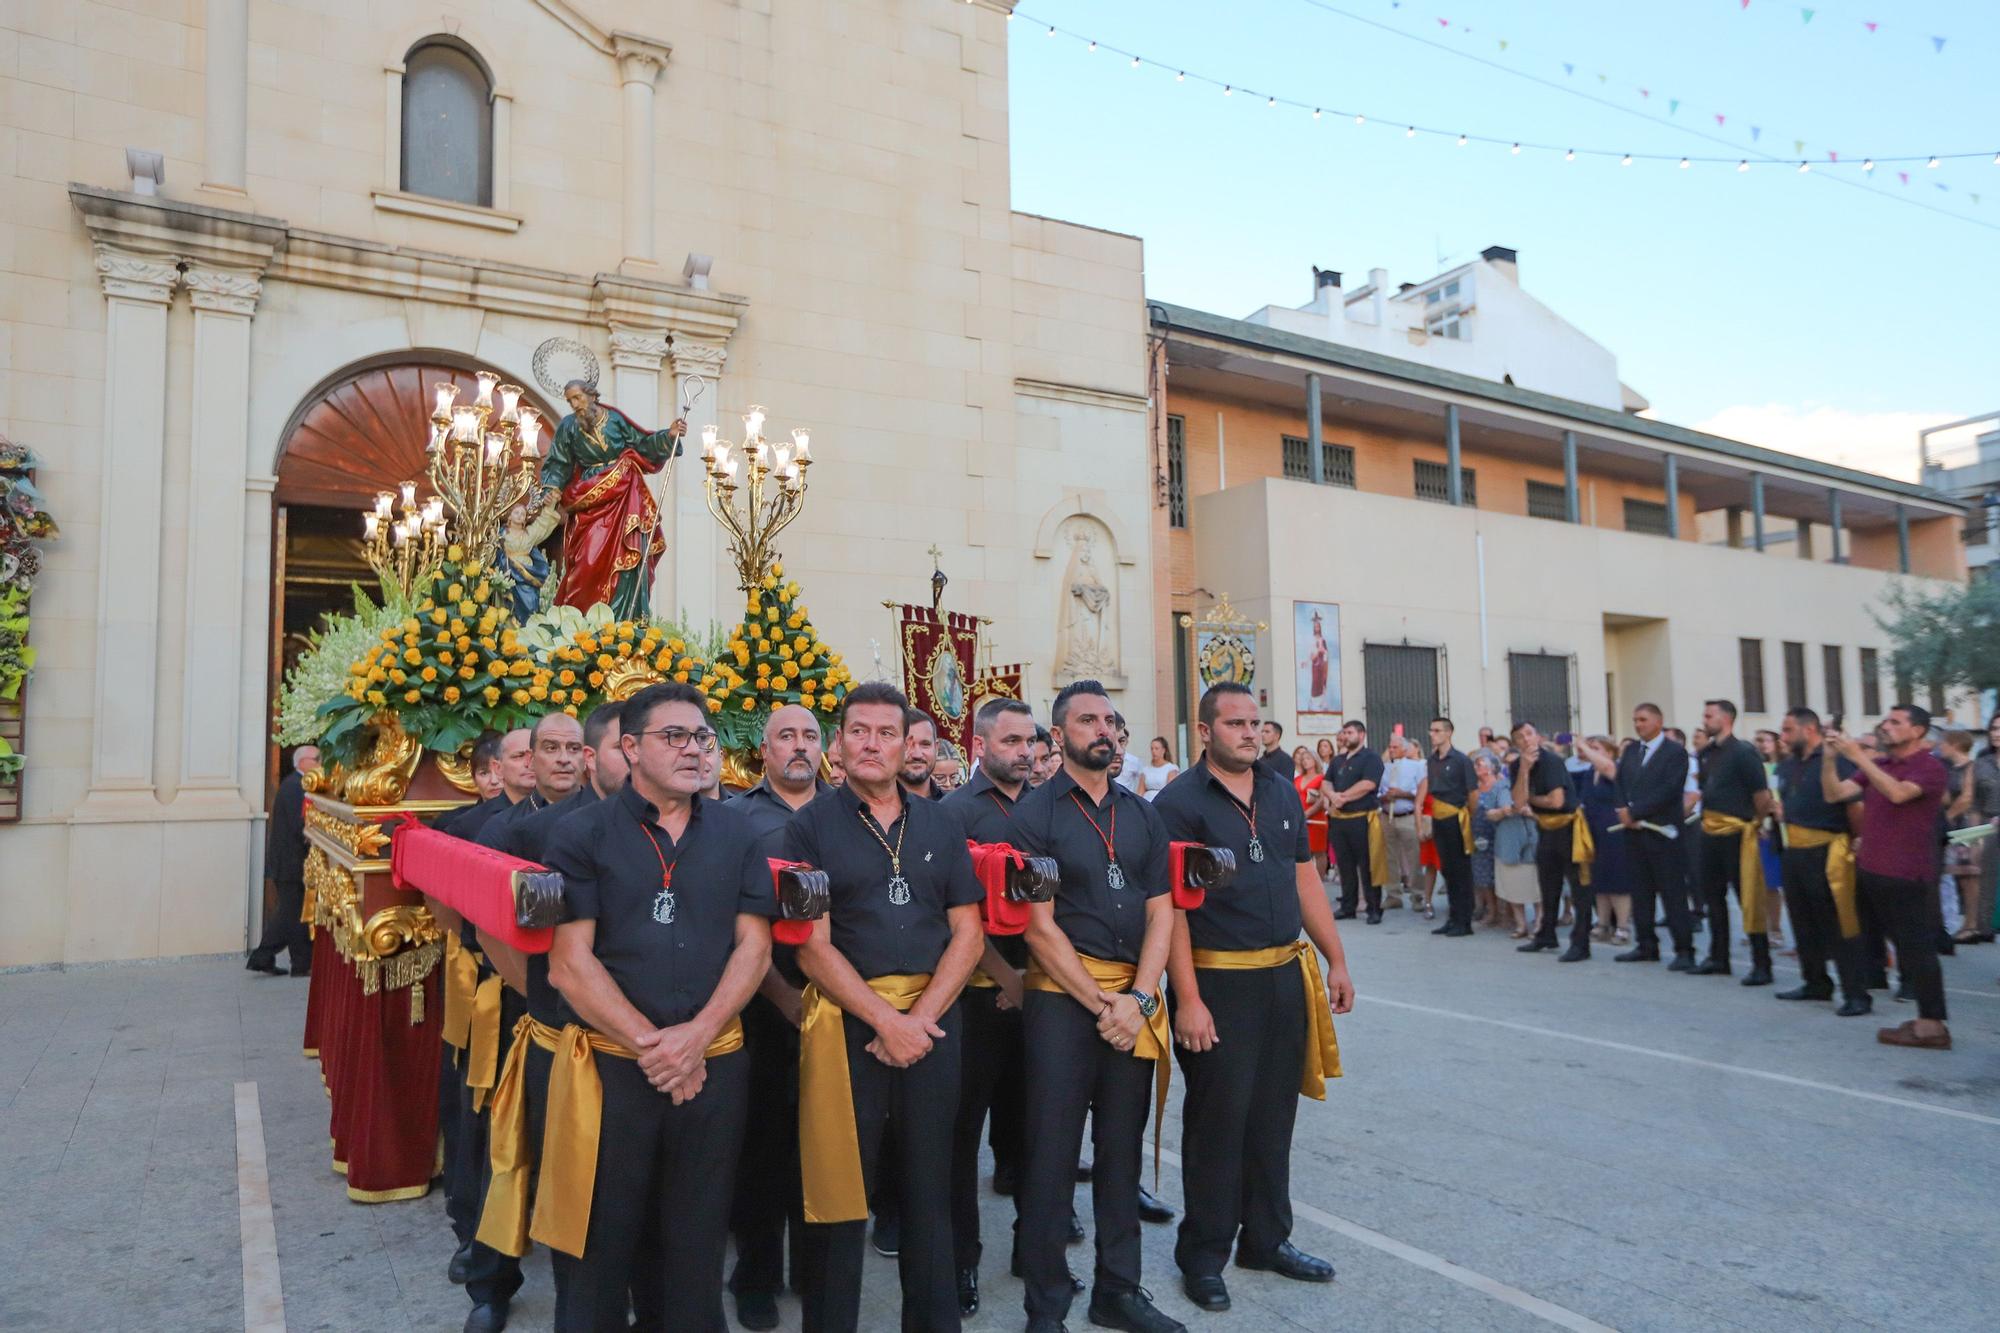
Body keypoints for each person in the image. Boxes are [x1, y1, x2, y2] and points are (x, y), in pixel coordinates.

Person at [540, 683, 774, 1330]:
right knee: (600, 1242)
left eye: (703, 737)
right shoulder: (580, 833)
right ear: (630, 748)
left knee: (697, 1242)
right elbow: (569, 962)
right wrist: (660, 1047)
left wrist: (697, 1036)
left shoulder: (737, 833)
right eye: (675, 736)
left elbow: (753, 947)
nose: (695, 749)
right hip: (615, 1070)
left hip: (713, 1068)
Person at [788, 682, 985, 1332]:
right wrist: (884, 1020)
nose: (872, 743)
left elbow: (969, 931)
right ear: (839, 742)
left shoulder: (942, 820)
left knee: (931, 1192)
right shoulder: (808, 825)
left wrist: (918, 1018)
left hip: (931, 1028)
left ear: (908, 744)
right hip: (848, 1030)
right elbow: (812, 948)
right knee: (841, 1198)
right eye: (859, 730)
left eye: (886, 732)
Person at [1155, 683, 1351, 1314]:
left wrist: (1336, 958)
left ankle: (1266, 1240)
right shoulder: (1179, 803)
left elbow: (1304, 878)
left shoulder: (1280, 788)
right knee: (1219, 1122)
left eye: (1256, 722)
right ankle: (1203, 1255)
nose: (1249, 732)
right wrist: (1188, 998)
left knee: (1273, 1118)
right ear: (1205, 729)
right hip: (1217, 983)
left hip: (1282, 977)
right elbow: (1173, 912)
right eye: (1235, 723)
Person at [1014, 681, 1183, 1333]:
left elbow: (1162, 909)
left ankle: (1118, 1289)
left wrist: (1138, 998)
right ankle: (1046, 1304)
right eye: (1087, 719)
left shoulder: (1142, 814)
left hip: (1129, 1001)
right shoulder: (1036, 815)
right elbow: (1038, 926)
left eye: (1110, 719)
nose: (1103, 729)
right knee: (1052, 1152)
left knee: (1121, 1151)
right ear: (1058, 737)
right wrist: (1102, 1002)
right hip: (1063, 1000)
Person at [462, 713, 586, 1331]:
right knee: (513, 1152)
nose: (564, 760)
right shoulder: (504, 830)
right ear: (529, 758)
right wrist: (537, 996)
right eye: (551, 749)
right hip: (531, 1012)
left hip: (592, 1020)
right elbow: (489, 929)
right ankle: (492, 1285)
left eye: (574, 749)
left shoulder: (605, 820)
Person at [941, 698, 1058, 1316]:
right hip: (977, 1001)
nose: (1024, 751)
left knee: (1039, 1133)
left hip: (1045, 996)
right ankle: (962, 1262)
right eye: (1011, 740)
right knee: (964, 1139)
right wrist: (1006, 979)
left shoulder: (1049, 808)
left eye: (1030, 741)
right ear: (980, 745)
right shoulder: (952, 813)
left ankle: (1033, 1250)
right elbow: (953, 916)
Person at [725, 705, 829, 1332]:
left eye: (810, 736)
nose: (799, 746)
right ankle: (755, 1276)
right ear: (762, 752)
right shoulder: (736, 822)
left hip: (839, 1003)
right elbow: (733, 925)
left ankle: (815, 1269)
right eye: (785, 736)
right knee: (761, 1147)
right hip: (765, 1008)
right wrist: (780, 994)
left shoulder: (848, 815)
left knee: (824, 1143)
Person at [1824, 706, 1952, 1049]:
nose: (1887, 726)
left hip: (1906, 872)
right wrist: (1829, 757)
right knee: (1891, 945)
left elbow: (1898, 794)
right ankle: (1923, 1018)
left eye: (1897, 722)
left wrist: (1857, 756)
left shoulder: (1930, 767)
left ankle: (1931, 1025)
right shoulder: (1881, 765)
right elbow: (1835, 793)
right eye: (1886, 721)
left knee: (1917, 950)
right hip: (1872, 869)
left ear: (1919, 731)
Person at [541, 379, 687, 618]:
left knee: (627, 557)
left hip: (623, 496)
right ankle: (581, 621)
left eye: (577, 398)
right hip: (589, 498)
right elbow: (559, 461)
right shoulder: (569, 426)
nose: (575, 404)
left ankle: (622, 620)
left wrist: (668, 436)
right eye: (570, 401)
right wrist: (552, 488)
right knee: (587, 561)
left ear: (591, 396)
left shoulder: (614, 419)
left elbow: (642, 443)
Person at [1770, 708, 1869, 1015]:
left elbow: (1855, 806)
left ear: (1809, 728)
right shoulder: (1786, 766)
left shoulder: (1838, 760)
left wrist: (1859, 839)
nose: (1783, 737)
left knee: (1839, 923)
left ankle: (1856, 993)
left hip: (1828, 850)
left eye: (1788, 730)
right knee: (1802, 920)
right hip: (1794, 850)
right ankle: (1815, 982)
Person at [1690, 700, 1777, 984]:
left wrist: (1756, 823)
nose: (1704, 719)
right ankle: (1718, 957)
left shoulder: (1743, 752)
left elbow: (1761, 796)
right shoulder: (1706, 753)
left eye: (1709, 715)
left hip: (1738, 832)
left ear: (1725, 719)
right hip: (1709, 831)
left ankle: (1761, 964)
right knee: (1713, 896)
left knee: (1748, 897)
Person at [1510, 723, 1592, 960]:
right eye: (1520, 737)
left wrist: (1532, 799)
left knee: (1578, 887)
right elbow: (1517, 803)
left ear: (1537, 736)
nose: (1526, 740)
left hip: (1568, 827)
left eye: (1529, 734)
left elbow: (1556, 801)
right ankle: (1546, 934)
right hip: (1545, 828)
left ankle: (1581, 943)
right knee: (1548, 885)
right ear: (1516, 743)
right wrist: (1524, 770)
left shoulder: (1552, 761)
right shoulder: (1518, 765)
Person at [247, 744, 320, 977]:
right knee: (295, 914)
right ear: (302, 763)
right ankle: (299, 964)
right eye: (316, 759)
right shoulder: (295, 787)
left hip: (290, 863)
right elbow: (301, 825)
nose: (320, 763)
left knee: (289, 914)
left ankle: (264, 957)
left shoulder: (297, 786)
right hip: (290, 864)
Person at [1324, 721, 1386, 924]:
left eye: (1350, 732)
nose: (1346, 736)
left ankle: (1374, 907)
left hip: (1362, 818)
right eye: (1344, 732)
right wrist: (1333, 795)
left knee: (1367, 865)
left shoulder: (1371, 757)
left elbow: (1368, 783)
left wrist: (1343, 797)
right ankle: (1348, 906)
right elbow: (1326, 781)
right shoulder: (1338, 760)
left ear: (1361, 735)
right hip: (1340, 820)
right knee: (1345, 864)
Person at [1572, 736, 1631, 947]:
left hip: (1614, 830)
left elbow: (1607, 768)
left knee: (1617, 880)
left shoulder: (1614, 768)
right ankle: (1603, 922)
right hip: (1594, 830)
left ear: (1609, 752)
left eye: (1595, 748)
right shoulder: (1589, 773)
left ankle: (1623, 926)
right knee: (1599, 879)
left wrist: (1584, 747)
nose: (1589, 752)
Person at [1425, 719, 1478, 938]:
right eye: (1432, 730)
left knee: (1461, 870)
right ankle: (1452, 917)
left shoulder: (1461, 760)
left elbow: (1473, 793)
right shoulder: (1431, 760)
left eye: (1437, 731)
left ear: (1448, 733)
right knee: (1446, 868)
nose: (1433, 734)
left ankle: (1464, 920)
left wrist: (1467, 816)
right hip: (1439, 816)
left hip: (1456, 815)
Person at [1489, 757, 1539, 937]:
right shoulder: (1501, 786)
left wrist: (1531, 813)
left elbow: (1554, 810)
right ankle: (1521, 924)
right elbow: (1489, 812)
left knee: (1536, 884)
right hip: (1509, 840)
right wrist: (1502, 812)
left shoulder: (1538, 784)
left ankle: (1539, 924)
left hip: (1534, 838)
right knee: (1513, 883)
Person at [1379, 736, 1425, 911]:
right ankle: (1393, 894)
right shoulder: (1384, 768)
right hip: (1387, 815)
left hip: (1407, 815)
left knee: (1414, 857)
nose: (1392, 750)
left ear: (1404, 749)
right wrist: (1385, 796)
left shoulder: (1417, 767)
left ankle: (1417, 895)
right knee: (1389, 858)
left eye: (1395, 747)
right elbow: (1378, 791)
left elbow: (1420, 790)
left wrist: (1402, 793)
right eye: (1390, 747)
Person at [1468, 753, 1501, 925]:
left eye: (1479, 765)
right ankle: (1491, 910)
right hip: (1479, 836)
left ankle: (1503, 911)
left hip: (1497, 834)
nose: (1476, 768)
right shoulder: (1474, 788)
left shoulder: (1500, 786)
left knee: (1500, 873)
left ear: (1492, 768)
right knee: (1482, 873)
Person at [1293, 748, 1330, 881]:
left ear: (1315, 761)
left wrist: (1307, 813)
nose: (1305, 762)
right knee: (1303, 850)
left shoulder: (1321, 778)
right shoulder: (1297, 779)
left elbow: (1322, 799)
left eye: (1308, 759)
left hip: (1316, 819)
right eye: (1303, 760)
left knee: (1319, 851)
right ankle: (1305, 881)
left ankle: (1320, 880)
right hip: (1299, 819)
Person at [902, 708, 946, 801]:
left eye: (925, 744)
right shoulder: (868, 810)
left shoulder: (954, 807)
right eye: (907, 745)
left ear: (936, 748)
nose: (917, 755)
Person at [1136, 736, 1180, 801]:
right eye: (1152, 749)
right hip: (1147, 802)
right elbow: (1140, 792)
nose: (1153, 751)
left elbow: (1170, 791)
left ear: (1163, 750)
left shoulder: (1171, 768)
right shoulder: (1145, 770)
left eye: (1156, 749)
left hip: (1162, 802)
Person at [1113, 714, 1143, 793]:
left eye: (1121, 741)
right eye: (1110, 741)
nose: (1119, 751)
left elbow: (1140, 781)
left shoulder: (1134, 761)